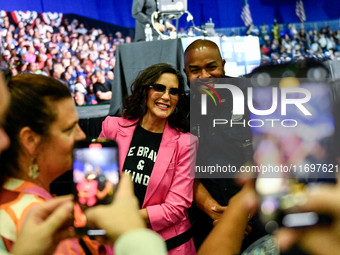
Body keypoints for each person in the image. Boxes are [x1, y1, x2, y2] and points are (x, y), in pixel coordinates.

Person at [99, 63, 198, 254]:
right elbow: (97, 184)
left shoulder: (186, 143)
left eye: (174, 91)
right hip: (116, 242)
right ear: (145, 90)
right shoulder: (112, 127)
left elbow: (175, 208)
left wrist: (125, 218)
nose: (166, 96)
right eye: (159, 88)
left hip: (168, 246)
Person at [183, 39, 261, 250]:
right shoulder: (180, 110)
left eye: (211, 67)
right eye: (195, 70)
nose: (205, 76)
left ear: (223, 65)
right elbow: (180, 171)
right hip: (208, 221)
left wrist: (241, 213)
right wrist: (214, 210)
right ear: (185, 73)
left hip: (258, 216)